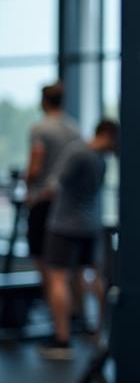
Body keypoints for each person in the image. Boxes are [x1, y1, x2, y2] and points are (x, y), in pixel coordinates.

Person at [39, 119, 119, 360]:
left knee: (57, 278)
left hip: (64, 225)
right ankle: (98, 331)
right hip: (89, 225)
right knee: (91, 276)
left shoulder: (78, 152)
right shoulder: (101, 161)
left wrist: (34, 199)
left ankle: (62, 340)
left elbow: (54, 185)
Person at [24, 82, 80, 286]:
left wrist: (29, 189)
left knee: (45, 262)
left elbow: (35, 167)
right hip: (67, 204)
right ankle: (75, 310)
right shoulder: (74, 128)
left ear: (44, 101)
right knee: (68, 264)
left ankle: (55, 310)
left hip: (44, 199)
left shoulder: (41, 128)